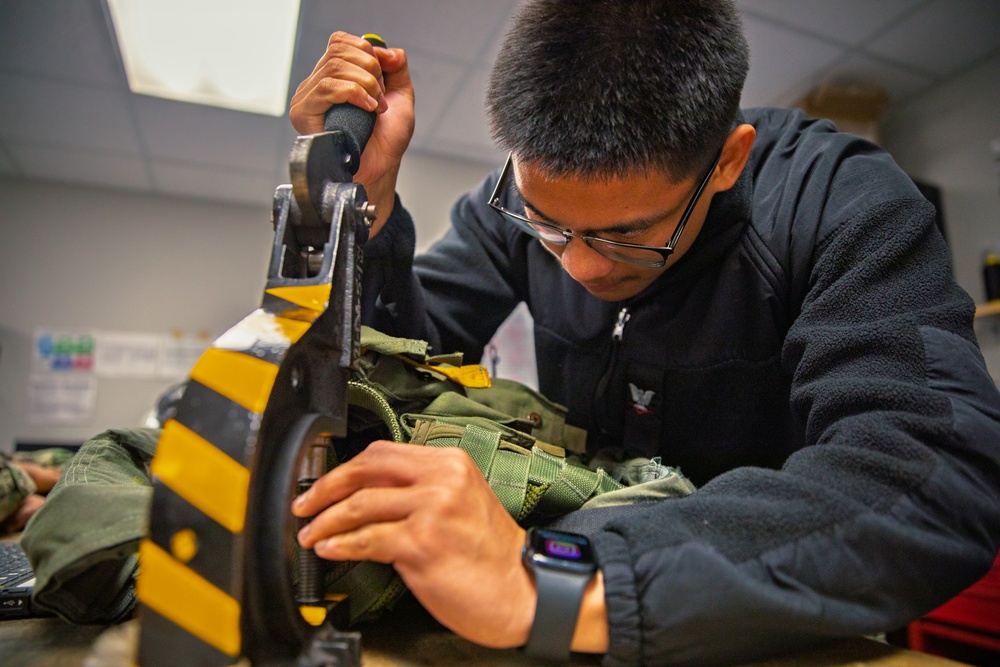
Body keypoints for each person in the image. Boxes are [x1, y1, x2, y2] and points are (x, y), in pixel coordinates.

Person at [288, 1, 1000, 664]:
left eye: (628, 236)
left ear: (728, 161)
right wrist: (366, 205)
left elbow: (936, 476)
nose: (580, 265)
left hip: (760, 614)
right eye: (550, 227)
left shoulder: (836, 200)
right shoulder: (517, 211)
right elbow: (410, 358)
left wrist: (559, 583)